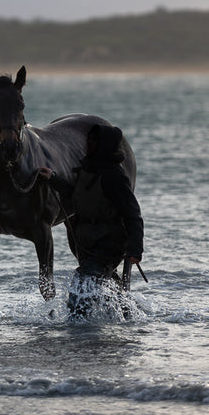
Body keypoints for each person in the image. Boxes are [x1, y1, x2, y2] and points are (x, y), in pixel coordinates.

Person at [38, 123, 144, 315]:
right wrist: (53, 178)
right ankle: (130, 314)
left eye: (94, 141)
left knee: (81, 284)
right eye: (89, 139)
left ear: (104, 145)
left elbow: (133, 214)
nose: (89, 144)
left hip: (108, 244)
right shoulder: (88, 169)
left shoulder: (114, 177)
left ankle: (77, 326)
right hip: (87, 242)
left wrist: (135, 249)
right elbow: (75, 193)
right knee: (107, 284)